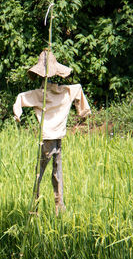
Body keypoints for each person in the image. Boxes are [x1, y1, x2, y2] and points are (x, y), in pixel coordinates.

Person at [13, 51, 91, 215]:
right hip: (58, 135)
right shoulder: (66, 91)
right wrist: (82, 112)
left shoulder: (39, 95)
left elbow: (20, 97)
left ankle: (36, 207)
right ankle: (58, 207)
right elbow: (78, 89)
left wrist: (17, 115)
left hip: (47, 137)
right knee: (57, 171)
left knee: (39, 173)